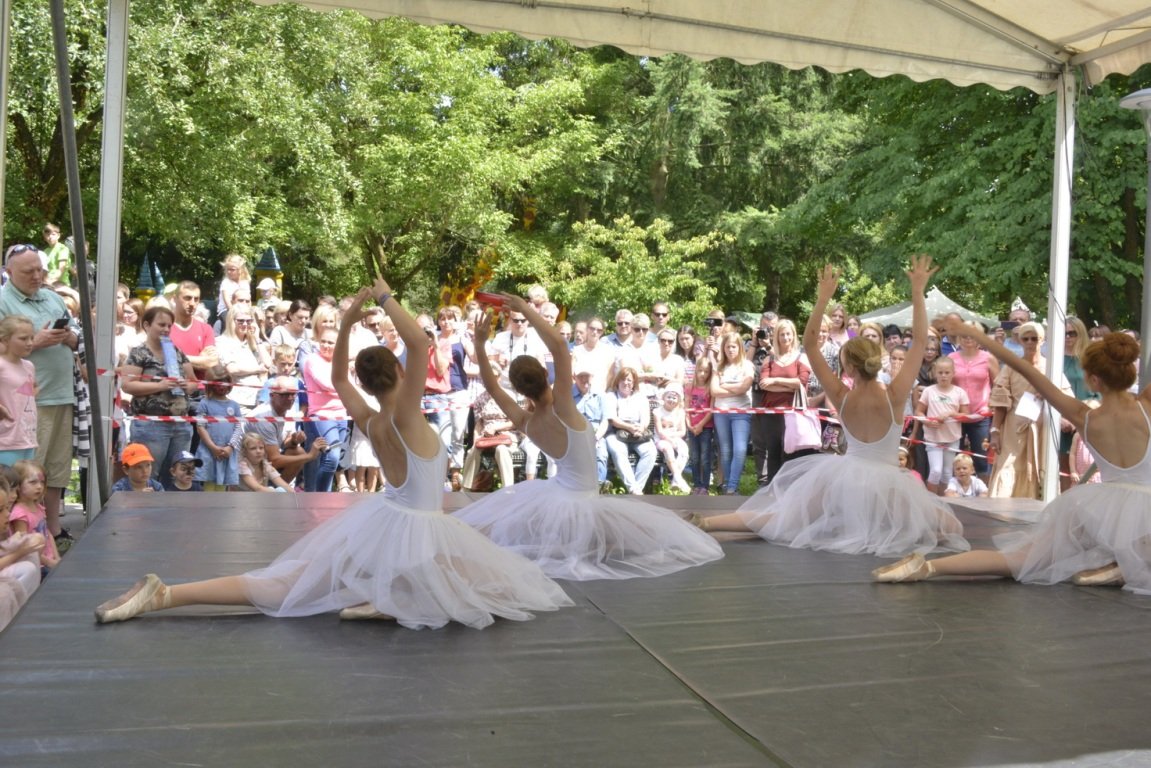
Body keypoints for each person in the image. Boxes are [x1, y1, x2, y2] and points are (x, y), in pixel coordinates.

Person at [94, 277, 572, 628]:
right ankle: (388, 597)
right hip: (417, 529)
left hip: (384, 522)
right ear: (401, 376)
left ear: (365, 382)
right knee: (482, 587)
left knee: (285, 581)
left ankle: (170, 594)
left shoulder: (369, 418)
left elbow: (339, 376)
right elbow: (418, 341)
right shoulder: (405, 415)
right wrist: (382, 297)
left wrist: (347, 320)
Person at [696, 258, 969, 558]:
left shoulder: (841, 394)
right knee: (950, 529)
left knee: (783, 514)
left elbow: (810, 345)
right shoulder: (894, 394)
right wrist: (918, 290)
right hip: (887, 485)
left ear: (848, 366)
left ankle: (709, 522)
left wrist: (823, 297)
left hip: (844, 479)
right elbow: (919, 343)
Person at [452, 294, 722, 580]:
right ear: (546, 373)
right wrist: (526, 310)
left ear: (520, 391)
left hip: (557, 497)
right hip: (580, 499)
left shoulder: (526, 422)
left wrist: (480, 345)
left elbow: (493, 388)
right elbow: (558, 345)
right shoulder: (563, 407)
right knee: (627, 544)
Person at [875, 330, 1151, 593]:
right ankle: (1125, 564)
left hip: (1099, 511)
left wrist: (981, 338)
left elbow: (1026, 369)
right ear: (1132, 371)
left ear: (1092, 379)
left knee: (1020, 558)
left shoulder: (1084, 416)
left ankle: (928, 566)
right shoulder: (1147, 405)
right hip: (1140, 509)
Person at [0, 244, 78, 540]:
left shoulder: (52, 296)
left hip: (62, 392)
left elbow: (75, 336)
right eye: (28, 271)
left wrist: (68, 336)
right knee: (28, 470)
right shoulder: (3, 301)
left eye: (39, 270)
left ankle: (52, 529)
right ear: (9, 273)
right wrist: (38, 341)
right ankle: (19, 529)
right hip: (26, 400)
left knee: (56, 468)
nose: (36, 276)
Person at [987, 321, 1051, 499]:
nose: (1031, 342)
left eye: (1035, 338)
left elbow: (1065, 397)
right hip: (1013, 429)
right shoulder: (1011, 367)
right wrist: (995, 431)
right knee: (1008, 466)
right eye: (1026, 338)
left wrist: (1048, 393)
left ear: (1042, 340)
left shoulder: (1051, 367)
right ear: (1020, 341)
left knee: (1041, 468)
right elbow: (1000, 401)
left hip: (1042, 428)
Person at [299, 325, 349, 492]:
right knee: (332, 457)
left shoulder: (341, 362)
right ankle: (321, 497)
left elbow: (349, 384)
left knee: (333, 460)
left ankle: (323, 500)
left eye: (331, 342)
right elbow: (328, 384)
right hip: (322, 415)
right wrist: (343, 387)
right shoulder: (312, 360)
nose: (326, 346)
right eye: (323, 341)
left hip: (341, 414)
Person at [949, 321, 999, 480]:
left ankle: (985, 496)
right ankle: (955, 495)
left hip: (981, 415)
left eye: (972, 334)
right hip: (956, 415)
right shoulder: (951, 358)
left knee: (981, 458)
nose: (968, 338)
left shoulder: (989, 358)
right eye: (964, 335)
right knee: (954, 457)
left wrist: (993, 405)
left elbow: (998, 384)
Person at [916, 357, 970, 495]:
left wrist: (951, 413)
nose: (943, 376)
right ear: (935, 373)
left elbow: (966, 415)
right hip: (933, 438)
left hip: (952, 438)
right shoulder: (929, 391)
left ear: (953, 373)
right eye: (940, 372)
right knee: (935, 471)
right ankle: (931, 502)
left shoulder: (959, 392)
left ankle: (943, 501)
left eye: (947, 372)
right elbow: (919, 411)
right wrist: (926, 421)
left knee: (947, 473)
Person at [710, 331, 754, 495]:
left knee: (740, 449)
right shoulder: (718, 366)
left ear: (740, 348)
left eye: (734, 346)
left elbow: (744, 388)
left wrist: (725, 384)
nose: (730, 350)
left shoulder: (747, 365)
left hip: (741, 412)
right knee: (726, 450)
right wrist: (734, 388)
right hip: (721, 412)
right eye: (727, 346)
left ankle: (733, 485)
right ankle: (729, 486)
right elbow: (714, 390)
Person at [603, 367, 657, 495]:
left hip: (637, 433)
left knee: (651, 452)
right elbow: (613, 420)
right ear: (617, 381)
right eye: (623, 379)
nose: (626, 383)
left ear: (634, 383)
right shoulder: (611, 396)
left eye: (629, 380)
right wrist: (629, 427)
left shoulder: (640, 397)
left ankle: (635, 489)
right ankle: (634, 489)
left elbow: (645, 419)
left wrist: (641, 428)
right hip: (616, 432)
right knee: (618, 451)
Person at [194, 366, 242, 491]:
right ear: (210, 385)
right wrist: (213, 448)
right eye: (217, 383)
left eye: (225, 382)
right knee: (209, 486)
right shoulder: (205, 403)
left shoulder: (234, 405)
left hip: (227, 452)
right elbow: (200, 427)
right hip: (209, 452)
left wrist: (230, 447)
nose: (221, 387)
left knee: (222, 486)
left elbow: (238, 428)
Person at [8, 460, 61, 572]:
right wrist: (49, 562)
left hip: (47, 560)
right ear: (18, 485)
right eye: (33, 482)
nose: (39, 487)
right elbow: (24, 547)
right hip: (36, 565)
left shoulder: (38, 507)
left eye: (42, 482)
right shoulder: (19, 514)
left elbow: (48, 534)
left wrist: (56, 557)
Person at [0, 316, 38, 466]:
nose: (29, 343)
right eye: (23, 339)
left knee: (24, 486)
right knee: (7, 485)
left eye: (32, 338)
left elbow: (29, 393)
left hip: (27, 437)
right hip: (6, 439)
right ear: (5, 340)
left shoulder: (29, 366)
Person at [685, 356, 714, 495]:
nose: (703, 374)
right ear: (696, 370)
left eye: (706, 371)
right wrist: (690, 425)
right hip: (692, 427)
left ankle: (705, 486)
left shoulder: (710, 388)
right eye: (700, 371)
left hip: (706, 427)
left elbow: (711, 409)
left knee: (705, 458)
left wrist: (701, 425)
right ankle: (696, 484)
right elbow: (686, 408)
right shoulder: (690, 387)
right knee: (694, 457)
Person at [653, 384, 690, 493]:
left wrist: (673, 438)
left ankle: (674, 480)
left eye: (674, 398)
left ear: (678, 400)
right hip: (660, 439)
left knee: (684, 450)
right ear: (663, 397)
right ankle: (679, 479)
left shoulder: (680, 412)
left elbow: (682, 431)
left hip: (675, 437)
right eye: (669, 397)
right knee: (668, 449)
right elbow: (659, 431)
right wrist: (669, 440)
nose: (671, 400)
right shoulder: (657, 412)